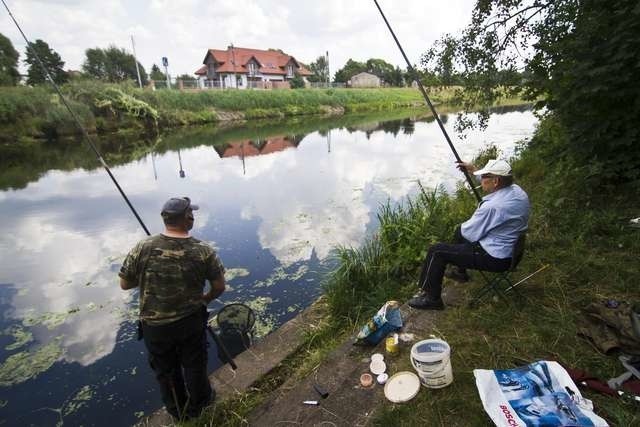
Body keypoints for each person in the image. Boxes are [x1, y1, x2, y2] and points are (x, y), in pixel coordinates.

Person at [119, 197, 226, 420]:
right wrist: (204, 300)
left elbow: (125, 283)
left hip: (155, 327)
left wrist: (156, 275)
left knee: (166, 372)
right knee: (195, 365)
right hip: (191, 322)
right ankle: (203, 404)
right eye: (192, 213)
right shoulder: (203, 251)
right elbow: (219, 286)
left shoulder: (143, 246)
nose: (193, 216)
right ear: (188, 218)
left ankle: (179, 412)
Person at [408, 159, 529, 310]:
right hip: (513, 252)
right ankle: (460, 272)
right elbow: (493, 184)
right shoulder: (517, 191)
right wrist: (473, 170)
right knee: (459, 231)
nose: (482, 179)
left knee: (436, 251)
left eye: (485, 176)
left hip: (496, 258)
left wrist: (467, 226)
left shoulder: (492, 207)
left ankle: (432, 299)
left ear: (496, 181)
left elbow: (469, 234)